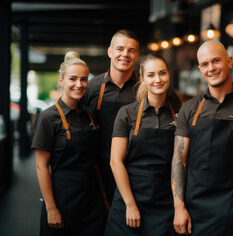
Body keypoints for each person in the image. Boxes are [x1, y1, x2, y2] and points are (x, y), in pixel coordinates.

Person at [171, 40, 233, 235]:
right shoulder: (190, 109)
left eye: (216, 61)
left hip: (231, 207)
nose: (211, 68)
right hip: (192, 209)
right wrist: (179, 207)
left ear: (229, 61)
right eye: (205, 64)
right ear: (200, 68)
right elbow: (179, 160)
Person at [82, 29, 181, 205]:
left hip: (138, 174)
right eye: (120, 49)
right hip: (98, 170)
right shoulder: (91, 88)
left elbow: (177, 124)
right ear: (110, 52)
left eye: (131, 50)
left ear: (137, 56)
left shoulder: (152, 86)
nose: (125, 55)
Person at [104, 53, 180, 235]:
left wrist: (179, 206)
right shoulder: (127, 113)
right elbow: (115, 161)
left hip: (165, 203)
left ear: (169, 74)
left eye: (162, 73)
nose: (158, 79)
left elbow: (182, 162)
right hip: (130, 199)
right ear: (143, 79)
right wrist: (130, 205)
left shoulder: (180, 114)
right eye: (151, 75)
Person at [32, 51, 106, 235]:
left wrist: (104, 198)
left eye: (84, 79)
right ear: (61, 80)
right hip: (62, 201)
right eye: (73, 79)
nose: (79, 85)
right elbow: (41, 167)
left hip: (92, 202)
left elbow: (94, 161)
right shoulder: (48, 118)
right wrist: (51, 209)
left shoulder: (89, 114)